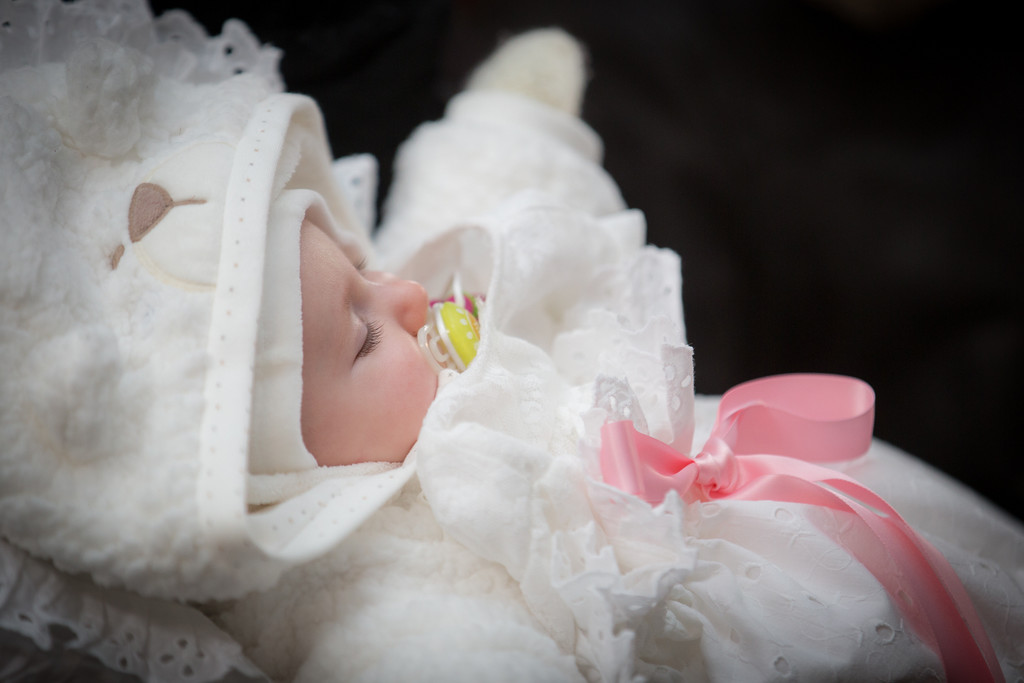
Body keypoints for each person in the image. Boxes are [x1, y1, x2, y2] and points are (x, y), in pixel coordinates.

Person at [2, 3, 1022, 681]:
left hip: (768, 491)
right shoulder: (366, 585)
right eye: (360, 330)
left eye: (358, 269)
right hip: (715, 627)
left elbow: (477, 210)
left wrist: (510, 124)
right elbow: (442, 655)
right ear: (274, 479)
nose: (403, 291)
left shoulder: (413, 338)